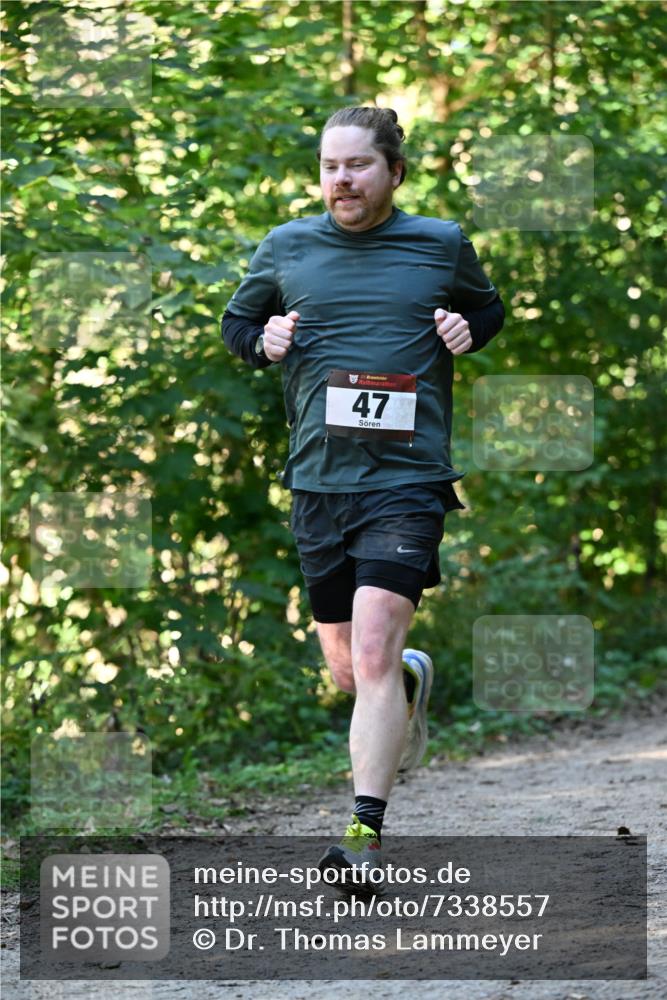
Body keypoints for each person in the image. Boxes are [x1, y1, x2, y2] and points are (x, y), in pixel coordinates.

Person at [221, 105, 504, 885]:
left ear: (392, 172)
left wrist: (465, 332)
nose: (341, 180)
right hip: (318, 480)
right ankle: (407, 683)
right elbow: (237, 326)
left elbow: (486, 310)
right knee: (351, 671)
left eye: (357, 165)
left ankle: (362, 836)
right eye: (330, 167)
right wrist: (264, 340)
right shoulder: (286, 246)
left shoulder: (439, 243)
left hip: (407, 479)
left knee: (373, 646)